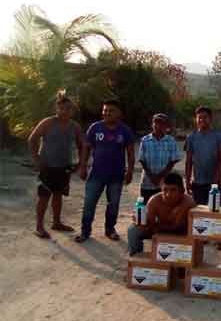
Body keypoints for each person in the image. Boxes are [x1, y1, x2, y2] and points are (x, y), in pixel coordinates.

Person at [75, 100, 135, 242]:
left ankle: (110, 230)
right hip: (96, 174)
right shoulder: (95, 128)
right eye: (105, 110)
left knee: (113, 204)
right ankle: (85, 232)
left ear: (119, 113)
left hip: (116, 175)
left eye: (111, 110)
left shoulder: (125, 131)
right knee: (89, 203)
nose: (107, 113)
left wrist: (130, 171)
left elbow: (131, 153)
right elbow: (86, 148)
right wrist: (82, 166)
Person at [28, 91, 84, 239]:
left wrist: (80, 163)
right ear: (57, 108)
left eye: (68, 108)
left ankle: (57, 222)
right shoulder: (47, 122)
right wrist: (36, 159)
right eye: (62, 108)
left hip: (64, 167)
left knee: (58, 194)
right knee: (44, 196)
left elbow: (82, 145)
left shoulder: (74, 126)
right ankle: (39, 226)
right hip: (47, 166)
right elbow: (32, 139)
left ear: (72, 110)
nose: (65, 111)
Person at [127, 173, 195, 256]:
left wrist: (156, 226)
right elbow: (149, 225)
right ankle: (136, 260)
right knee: (133, 229)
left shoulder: (188, 203)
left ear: (182, 191)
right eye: (165, 190)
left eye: (173, 190)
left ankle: (183, 266)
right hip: (159, 230)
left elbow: (178, 227)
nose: (168, 194)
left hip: (181, 234)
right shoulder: (154, 201)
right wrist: (141, 221)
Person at [184, 106, 221, 206]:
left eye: (205, 117)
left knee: (217, 212)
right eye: (199, 117)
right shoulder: (191, 138)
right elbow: (189, 161)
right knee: (199, 215)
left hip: (216, 183)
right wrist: (187, 181)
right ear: (196, 119)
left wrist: (215, 181)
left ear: (210, 119)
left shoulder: (219, 137)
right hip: (198, 183)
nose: (202, 120)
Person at [138, 113, 181, 203]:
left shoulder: (171, 141)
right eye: (156, 123)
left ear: (166, 126)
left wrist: (160, 176)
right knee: (146, 208)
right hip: (147, 182)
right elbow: (142, 160)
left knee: (163, 208)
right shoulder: (145, 140)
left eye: (162, 123)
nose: (158, 126)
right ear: (152, 125)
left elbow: (173, 161)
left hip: (164, 184)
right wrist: (151, 176)